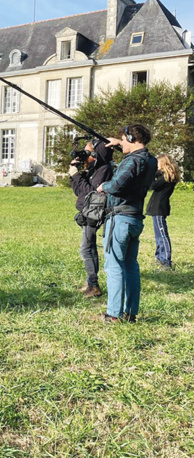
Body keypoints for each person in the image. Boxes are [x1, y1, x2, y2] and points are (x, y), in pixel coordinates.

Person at [96, 124, 157, 323]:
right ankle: (130, 313)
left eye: (123, 139)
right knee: (130, 266)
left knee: (113, 266)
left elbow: (117, 186)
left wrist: (103, 186)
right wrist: (117, 144)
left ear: (131, 138)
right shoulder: (151, 160)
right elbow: (136, 163)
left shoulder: (132, 162)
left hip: (119, 219)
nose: (121, 143)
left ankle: (113, 314)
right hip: (135, 219)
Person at [68, 139, 114, 298]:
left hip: (93, 212)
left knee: (86, 248)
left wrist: (78, 177)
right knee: (89, 247)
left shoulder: (104, 169)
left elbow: (93, 195)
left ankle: (94, 285)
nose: (84, 154)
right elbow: (80, 192)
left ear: (96, 154)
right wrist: (74, 175)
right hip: (86, 211)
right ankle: (90, 282)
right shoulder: (94, 168)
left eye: (87, 152)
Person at [146, 154, 179, 270]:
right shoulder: (164, 177)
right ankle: (160, 258)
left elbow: (152, 185)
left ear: (164, 164)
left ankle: (166, 260)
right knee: (158, 235)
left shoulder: (166, 178)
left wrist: (150, 173)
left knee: (162, 235)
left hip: (159, 208)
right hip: (157, 209)